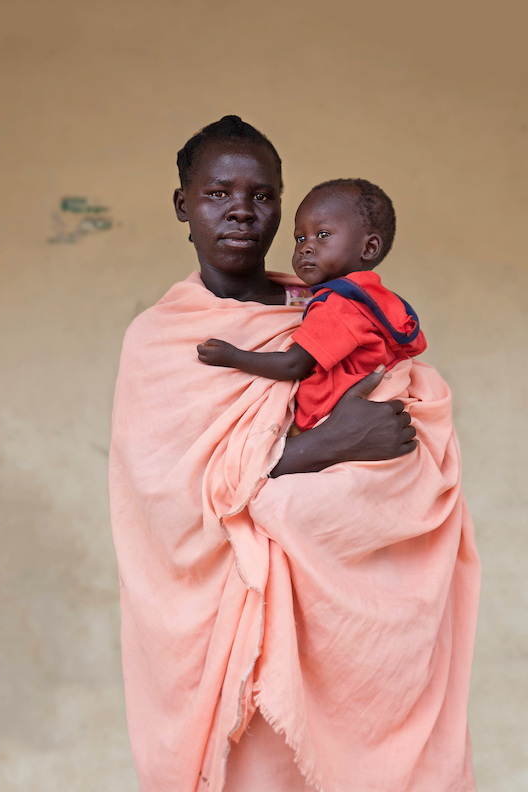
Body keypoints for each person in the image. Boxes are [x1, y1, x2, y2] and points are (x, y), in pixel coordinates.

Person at [108, 115, 477, 791]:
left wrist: (352, 459)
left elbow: (415, 432)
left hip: (348, 648)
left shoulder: (336, 312)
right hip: (236, 656)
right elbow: (168, 506)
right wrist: (322, 447)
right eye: (218, 193)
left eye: (264, 195)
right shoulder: (159, 341)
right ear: (182, 206)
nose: (243, 211)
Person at [197, 179, 425, 432]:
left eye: (323, 235)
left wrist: (232, 356)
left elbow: (292, 365)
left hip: (341, 427)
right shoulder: (372, 296)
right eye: (300, 237)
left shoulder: (338, 305)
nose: (306, 247)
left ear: (369, 247)